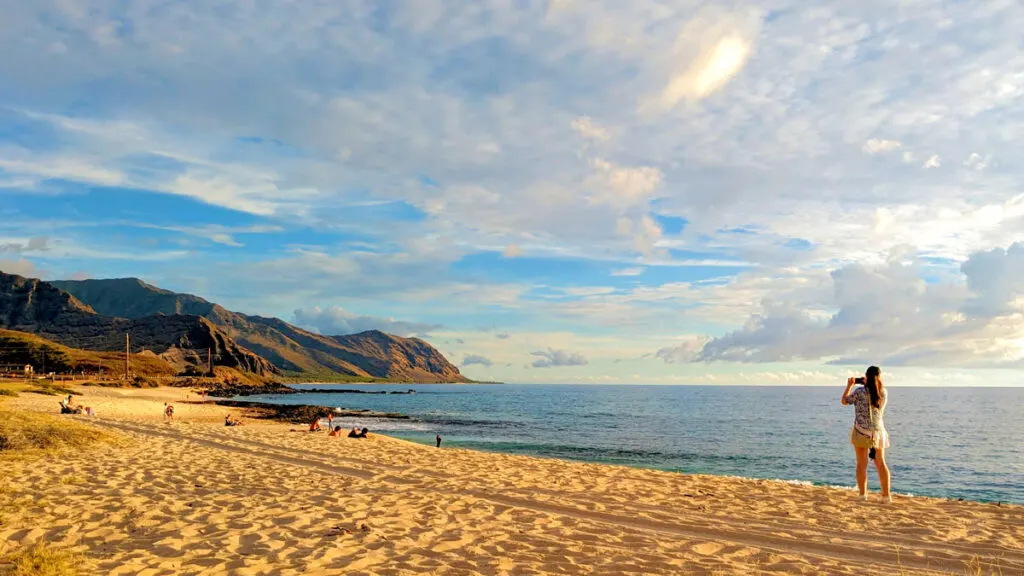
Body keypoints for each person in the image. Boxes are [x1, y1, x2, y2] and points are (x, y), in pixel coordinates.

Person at [842, 366, 892, 503]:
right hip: (878, 432)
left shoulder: (859, 392)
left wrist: (849, 385)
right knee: (881, 463)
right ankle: (886, 496)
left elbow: (844, 401)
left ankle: (863, 494)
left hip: (861, 431)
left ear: (866, 376)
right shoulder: (883, 392)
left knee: (861, 464)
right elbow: (875, 391)